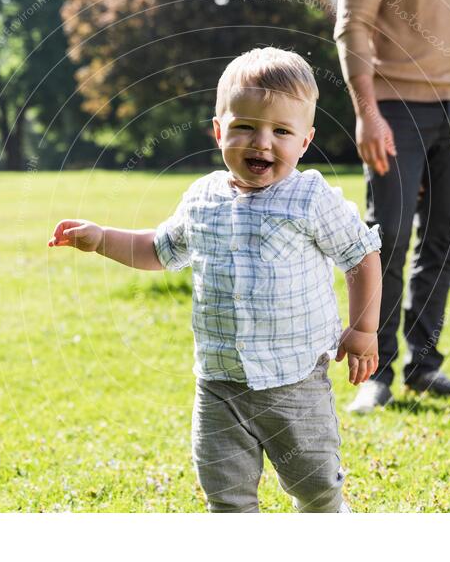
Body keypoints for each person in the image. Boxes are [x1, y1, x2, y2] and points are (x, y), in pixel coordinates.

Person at [48, 47, 383, 512]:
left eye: (281, 131)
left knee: (316, 487)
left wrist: (364, 329)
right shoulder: (202, 199)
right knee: (226, 496)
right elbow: (159, 250)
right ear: (219, 130)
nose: (262, 143)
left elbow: (361, 254)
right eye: (245, 126)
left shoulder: (309, 198)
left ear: (304, 142)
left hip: (295, 380)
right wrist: (102, 238)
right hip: (220, 385)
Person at [334, 0, 450, 412]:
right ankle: (377, 374)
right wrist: (367, 114)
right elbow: (352, 24)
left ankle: (425, 366)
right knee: (389, 237)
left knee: (443, 237)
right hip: (395, 104)